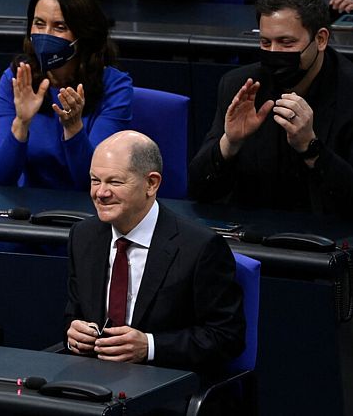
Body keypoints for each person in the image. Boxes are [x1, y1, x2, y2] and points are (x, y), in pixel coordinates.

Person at [188, 0, 353, 219]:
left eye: (287, 43)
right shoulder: (241, 86)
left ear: (320, 39)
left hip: (329, 235)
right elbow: (198, 191)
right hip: (257, 230)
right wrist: (229, 144)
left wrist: (311, 148)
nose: (274, 52)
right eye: (266, 43)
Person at [65, 130, 244, 373]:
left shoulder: (200, 248)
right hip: (91, 377)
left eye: (114, 182)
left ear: (151, 183)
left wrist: (150, 346)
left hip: (164, 382)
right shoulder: (83, 236)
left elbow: (227, 337)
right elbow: (74, 312)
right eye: (95, 180)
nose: (101, 193)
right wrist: (74, 332)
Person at [0, 0, 133, 191]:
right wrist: (21, 123)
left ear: (83, 33)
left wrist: (73, 128)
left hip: (91, 213)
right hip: (31, 212)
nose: (46, 35)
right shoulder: (17, 79)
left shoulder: (114, 86)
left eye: (59, 27)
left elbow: (94, 183)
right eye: (39, 24)